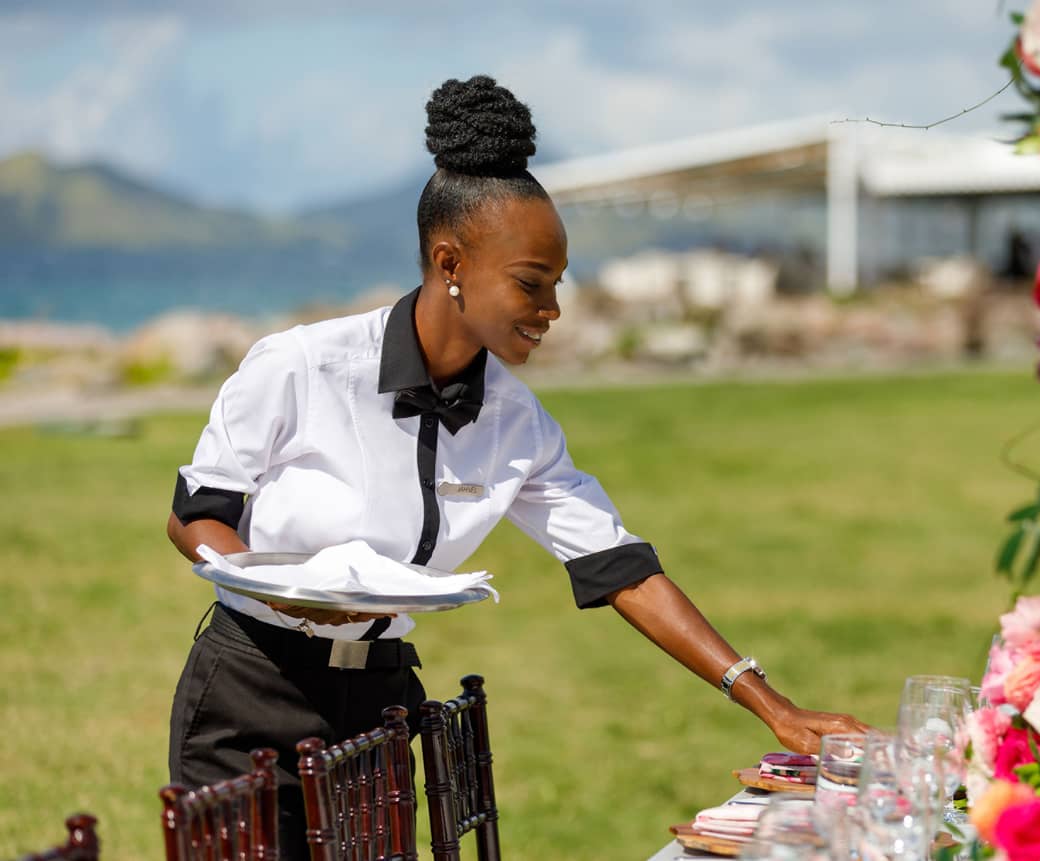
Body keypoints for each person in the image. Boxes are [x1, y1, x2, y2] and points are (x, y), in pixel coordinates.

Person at [165, 75, 868, 858]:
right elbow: (196, 514)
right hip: (250, 692)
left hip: (379, 700)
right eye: (531, 283)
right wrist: (289, 593)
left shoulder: (516, 421)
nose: (552, 309)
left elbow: (619, 564)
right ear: (449, 259)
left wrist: (771, 705)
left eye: (557, 285)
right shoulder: (302, 364)